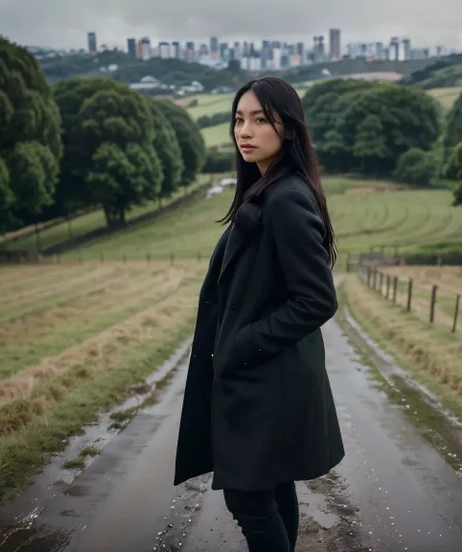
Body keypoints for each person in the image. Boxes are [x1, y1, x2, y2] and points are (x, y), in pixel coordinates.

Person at [173, 76, 345, 552]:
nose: (244, 131)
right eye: (238, 119)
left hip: (268, 380)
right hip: (266, 377)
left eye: (260, 120)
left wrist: (243, 344)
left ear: (287, 129)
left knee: (249, 501)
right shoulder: (267, 189)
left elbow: (317, 299)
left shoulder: (286, 198)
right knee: (272, 486)